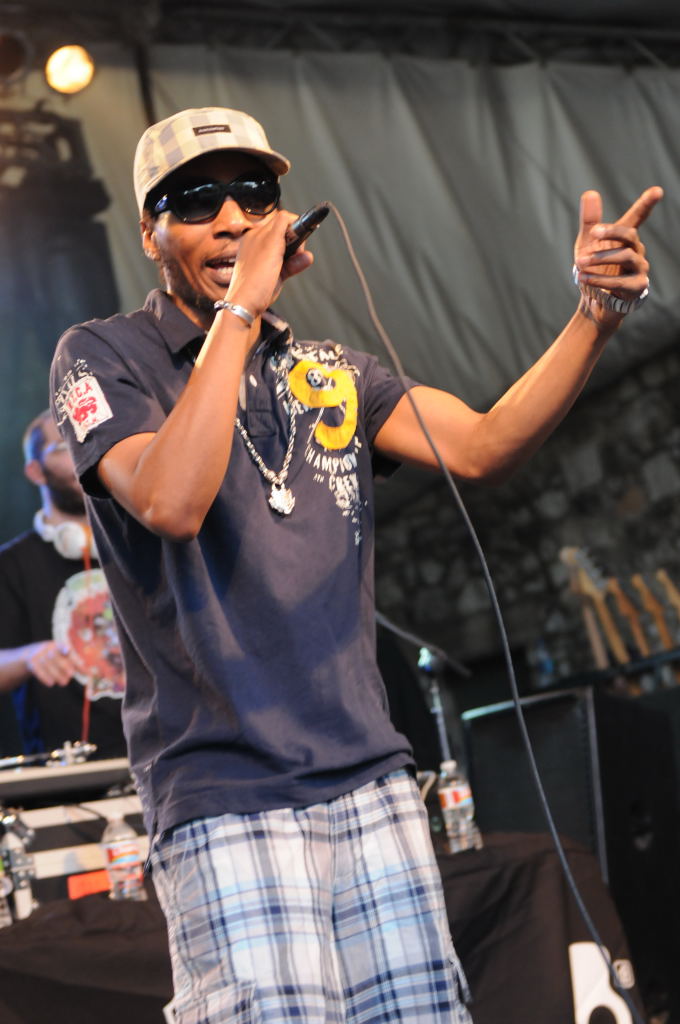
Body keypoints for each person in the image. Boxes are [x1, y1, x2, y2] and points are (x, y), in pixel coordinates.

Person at [48, 106, 660, 1023]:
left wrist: (595, 318)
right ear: (149, 231)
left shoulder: (331, 371)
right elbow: (171, 502)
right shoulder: (102, 355)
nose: (232, 217)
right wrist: (242, 312)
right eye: (197, 200)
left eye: (254, 194)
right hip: (223, 793)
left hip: (371, 781)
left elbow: (484, 445)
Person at [0, 410, 126, 760]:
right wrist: (27, 658)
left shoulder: (140, 547)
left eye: (85, 440)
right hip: (66, 772)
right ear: (35, 471)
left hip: (158, 762)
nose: (79, 453)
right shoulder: (10, 565)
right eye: (62, 446)